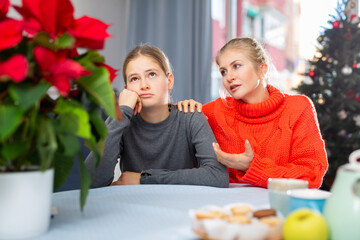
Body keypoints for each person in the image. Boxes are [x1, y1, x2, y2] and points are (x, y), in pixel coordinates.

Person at [178, 37, 328, 188]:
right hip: (224, 208)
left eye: (236, 66)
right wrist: (180, 111)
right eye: (223, 71)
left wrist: (251, 167)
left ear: (262, 69)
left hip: (278, 208)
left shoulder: (298, 108)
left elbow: (312, 175)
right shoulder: (213, 112)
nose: (229, 77)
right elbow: (166, 124)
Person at [85, 44, 229, 188]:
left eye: (152, 75)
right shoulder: (120, 120)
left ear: (169, 81)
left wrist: (145, 179)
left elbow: (217, 176)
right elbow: (91, 181)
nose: (144, 85)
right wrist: (121, 112)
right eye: (134, 79)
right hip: (134, 203)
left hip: (182, 203)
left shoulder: (190, 117)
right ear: (126, 90)